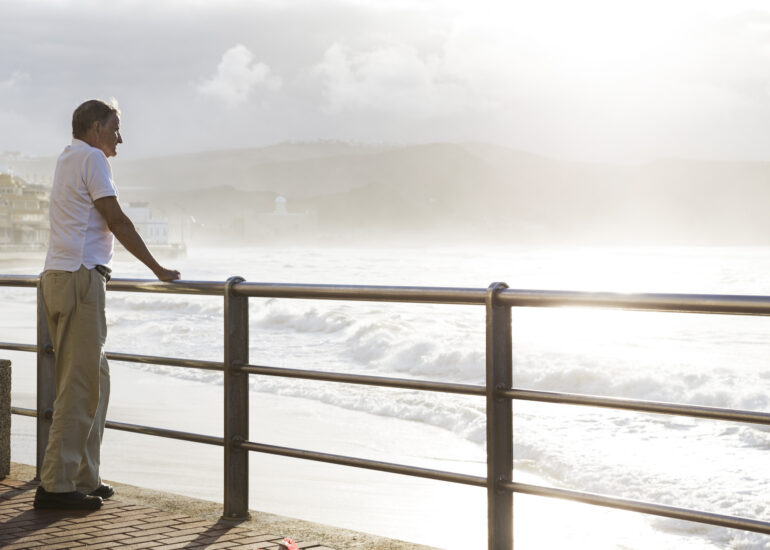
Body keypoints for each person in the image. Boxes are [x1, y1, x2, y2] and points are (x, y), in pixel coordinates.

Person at [33, 99, 180, 510]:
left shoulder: (67, 158)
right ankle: (56, 487)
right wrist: (157, 267)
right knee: (79, 388)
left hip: (60, 277)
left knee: (96, 381)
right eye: (116, 128)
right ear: (96, 128)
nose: (120, 138)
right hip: (80, 278)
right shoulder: (93, 159)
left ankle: (85, 475)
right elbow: (116, 219)